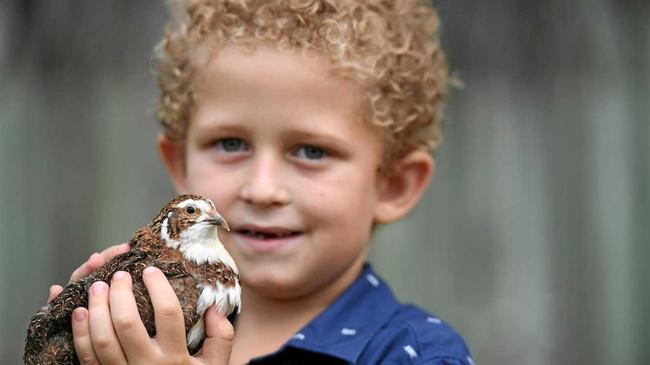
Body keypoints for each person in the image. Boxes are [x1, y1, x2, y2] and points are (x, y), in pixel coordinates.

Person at [48, 1, 473, 364]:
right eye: (230, 143)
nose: (262, 189)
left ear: (393, 185)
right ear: (179, 166)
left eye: (311, 151)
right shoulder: (140, 329)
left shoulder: (415, 353)